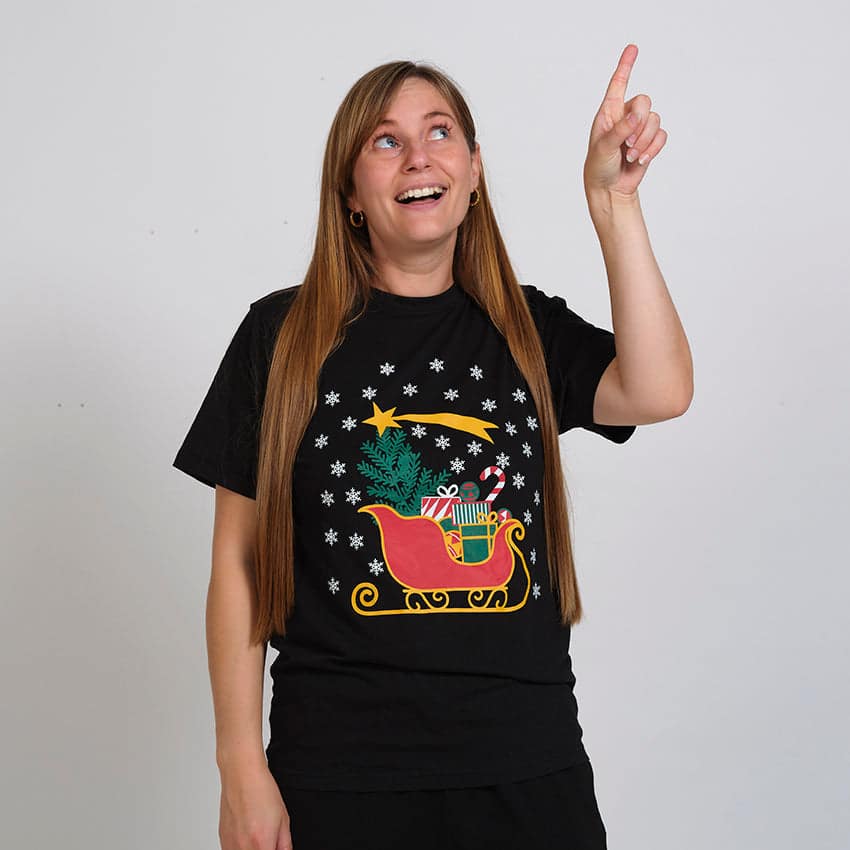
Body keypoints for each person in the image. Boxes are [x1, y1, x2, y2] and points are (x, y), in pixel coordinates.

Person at [173, 45, 692, 850]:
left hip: (527, 769)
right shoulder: (279, 337)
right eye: (385, 141)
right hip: (338, 776)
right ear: (350, 193)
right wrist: (240, 766)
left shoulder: (527, 329)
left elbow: (660, 390)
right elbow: (238, 565)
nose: (418, 156)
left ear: (474, 170)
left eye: (440, 131)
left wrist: (613, 201)